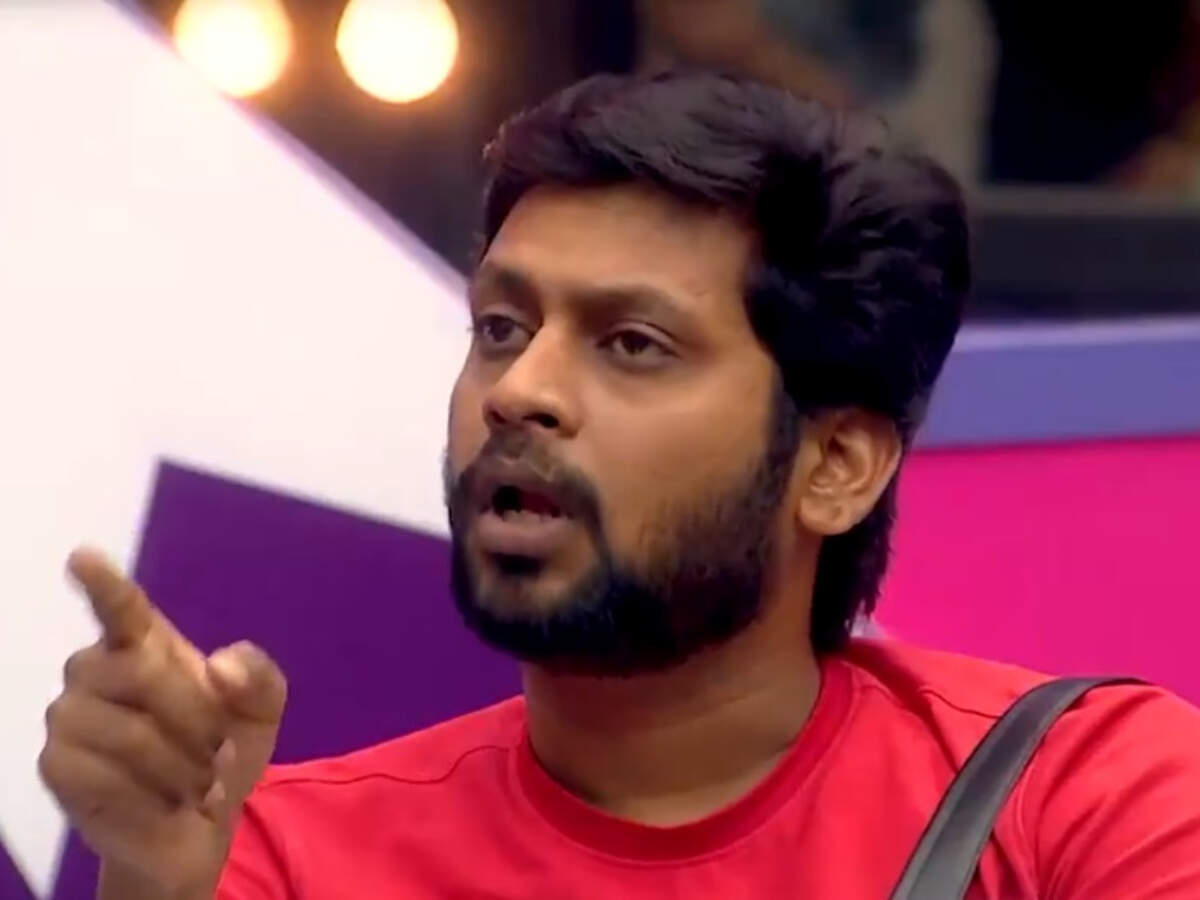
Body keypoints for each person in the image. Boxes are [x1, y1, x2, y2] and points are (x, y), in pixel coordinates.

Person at [39, 72, 1200, 899]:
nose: (519, 391)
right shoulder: (279, 861)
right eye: (501, 327)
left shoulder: (1079, 799)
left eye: (632, 344)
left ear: (836, 466)